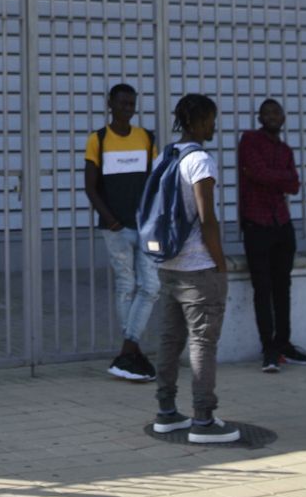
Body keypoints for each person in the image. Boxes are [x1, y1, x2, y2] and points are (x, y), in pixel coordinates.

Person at [151, 94, 240, 443]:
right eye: (211, 119)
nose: (213, 126)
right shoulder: (200, 161)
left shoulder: (165, 156)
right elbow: (207, 219)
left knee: (170, 339)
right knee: (203, 343)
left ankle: (166, 412)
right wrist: (220, 264)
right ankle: (203, 419)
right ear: (199, 120)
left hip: (168, 262)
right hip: (198, 267)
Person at [82, 83, 158, 381]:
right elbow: (90, 186)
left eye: (131, 104)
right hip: (115, 229)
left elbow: (155, 182)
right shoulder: (98, 139)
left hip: (145, 226)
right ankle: (132, 354)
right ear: (110, 104)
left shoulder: (146, 138)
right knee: (126, 286)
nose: (127, 108)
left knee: (151, 287)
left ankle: (129, 349)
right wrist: (110, 218)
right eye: (122, 103)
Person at [237, 98, 306, 373]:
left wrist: (274, 177)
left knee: (283, 287)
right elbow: (257, 173)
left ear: (283, 117)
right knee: (262, 288)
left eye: (276, 112)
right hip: (256, 223)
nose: (271, 116)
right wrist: (278, 177)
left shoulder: (285, 150)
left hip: (281, 223)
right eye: (266, 112)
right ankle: (268, 349)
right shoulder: (249, 141)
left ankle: (284, 344)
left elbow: (294, 185)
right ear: (260, 116)